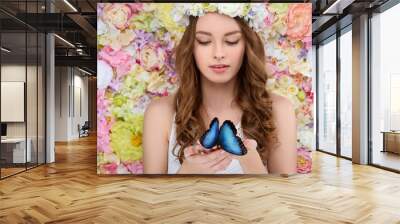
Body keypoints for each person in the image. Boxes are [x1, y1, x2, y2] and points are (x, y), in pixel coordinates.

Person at [143, 7, 297, 174]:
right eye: (204, 41)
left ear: (247, 45)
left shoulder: (279, 110)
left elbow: (283, 198)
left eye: (231, 41)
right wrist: (186, 176)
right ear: (191, 47)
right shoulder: (159, 113)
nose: (218, 53)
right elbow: (153, 197)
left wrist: (253, 166)